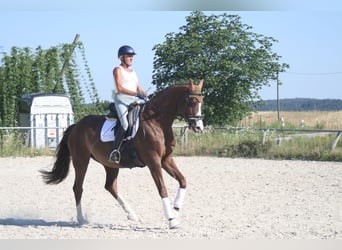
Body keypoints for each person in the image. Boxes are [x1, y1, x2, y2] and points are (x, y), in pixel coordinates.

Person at [108, 45, 147, 163]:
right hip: (121, 100)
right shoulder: (117, 70)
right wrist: (136, 93)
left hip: (134, 100)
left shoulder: (133, 72)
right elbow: (120, 88)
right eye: (129, 56)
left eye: (132, 56)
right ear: (121, 57)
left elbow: (139, 88)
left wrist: (146, 94)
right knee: (125, 124)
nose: (131, 58)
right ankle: (114, 151)